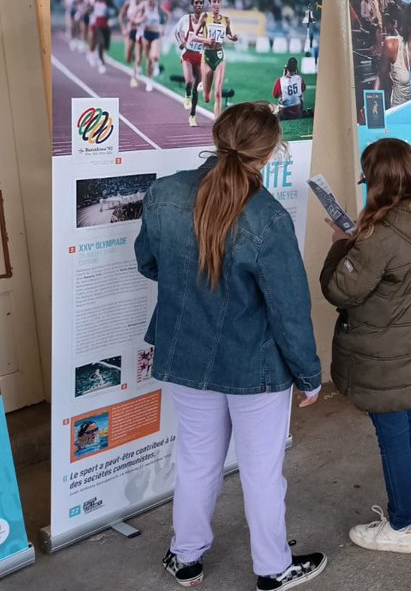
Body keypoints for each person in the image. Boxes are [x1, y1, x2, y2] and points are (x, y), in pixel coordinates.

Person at [134, 102, 327, 590]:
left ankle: (186, 557)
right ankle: (273, 569)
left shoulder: (163, 194)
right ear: (270, 152)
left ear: (218, 137)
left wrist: (194, 287)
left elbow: (148, 263)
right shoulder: (268, 217)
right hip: (254, 365)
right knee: (262, 472)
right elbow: (288, 308)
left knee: (197, 461)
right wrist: (308, 375)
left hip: (187, 354)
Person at [320, 138, 411, 554]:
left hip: (382, 353)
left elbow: (339, 289)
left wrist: (342, 244)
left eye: (367, 177)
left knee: (393, 440)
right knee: (404, 431)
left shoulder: (382, 235)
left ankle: (402, 525)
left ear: (381, 182)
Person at [196, 0, 239, 117]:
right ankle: (203, 84)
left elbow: (228, 34)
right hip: (207, 56)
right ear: (210, 3)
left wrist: (233, 38)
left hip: (220, 56)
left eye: (218, 1)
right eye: (214, 1)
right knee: (207, 98)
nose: (216, 4)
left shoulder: (226, 19)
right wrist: (206, 40)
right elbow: (194, 36)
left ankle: (217, 123)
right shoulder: (204, 17)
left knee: (218, 93)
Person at [382, 0, 411, 107]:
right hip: (398, 109)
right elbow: (380, 76)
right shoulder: (392, 45)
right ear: (408, 25)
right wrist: (371, 104)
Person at [173, 0, 206, 126]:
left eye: (201, 2)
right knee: (189, 82)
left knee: (196, 88)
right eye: (196, 2)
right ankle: (187, 95)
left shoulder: (206, 21)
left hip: (199, 56)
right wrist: (181, 42)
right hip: (187, 55)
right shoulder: (185, 19)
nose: (199, 5)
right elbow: (176, 32)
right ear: (192, 4)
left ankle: (192, 115)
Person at [131, 0, 168, 92]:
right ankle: (149, 81)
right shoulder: (143, 6)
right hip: (145, 34)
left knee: (155, 56)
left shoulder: (157, 6)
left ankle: (156, 66)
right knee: (148, 61)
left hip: (155, 34)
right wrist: (140, 19)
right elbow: (133, 19)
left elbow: (167, 15)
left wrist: (163, 28)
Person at [119, 0, 143, 67]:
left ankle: (137, 67)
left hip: (140, 30)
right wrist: (123, 28)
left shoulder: (143, 4)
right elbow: (121, 15)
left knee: (138, 51)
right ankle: (133, 60)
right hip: (130, 30)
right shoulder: (129, 3)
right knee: (128, 57)